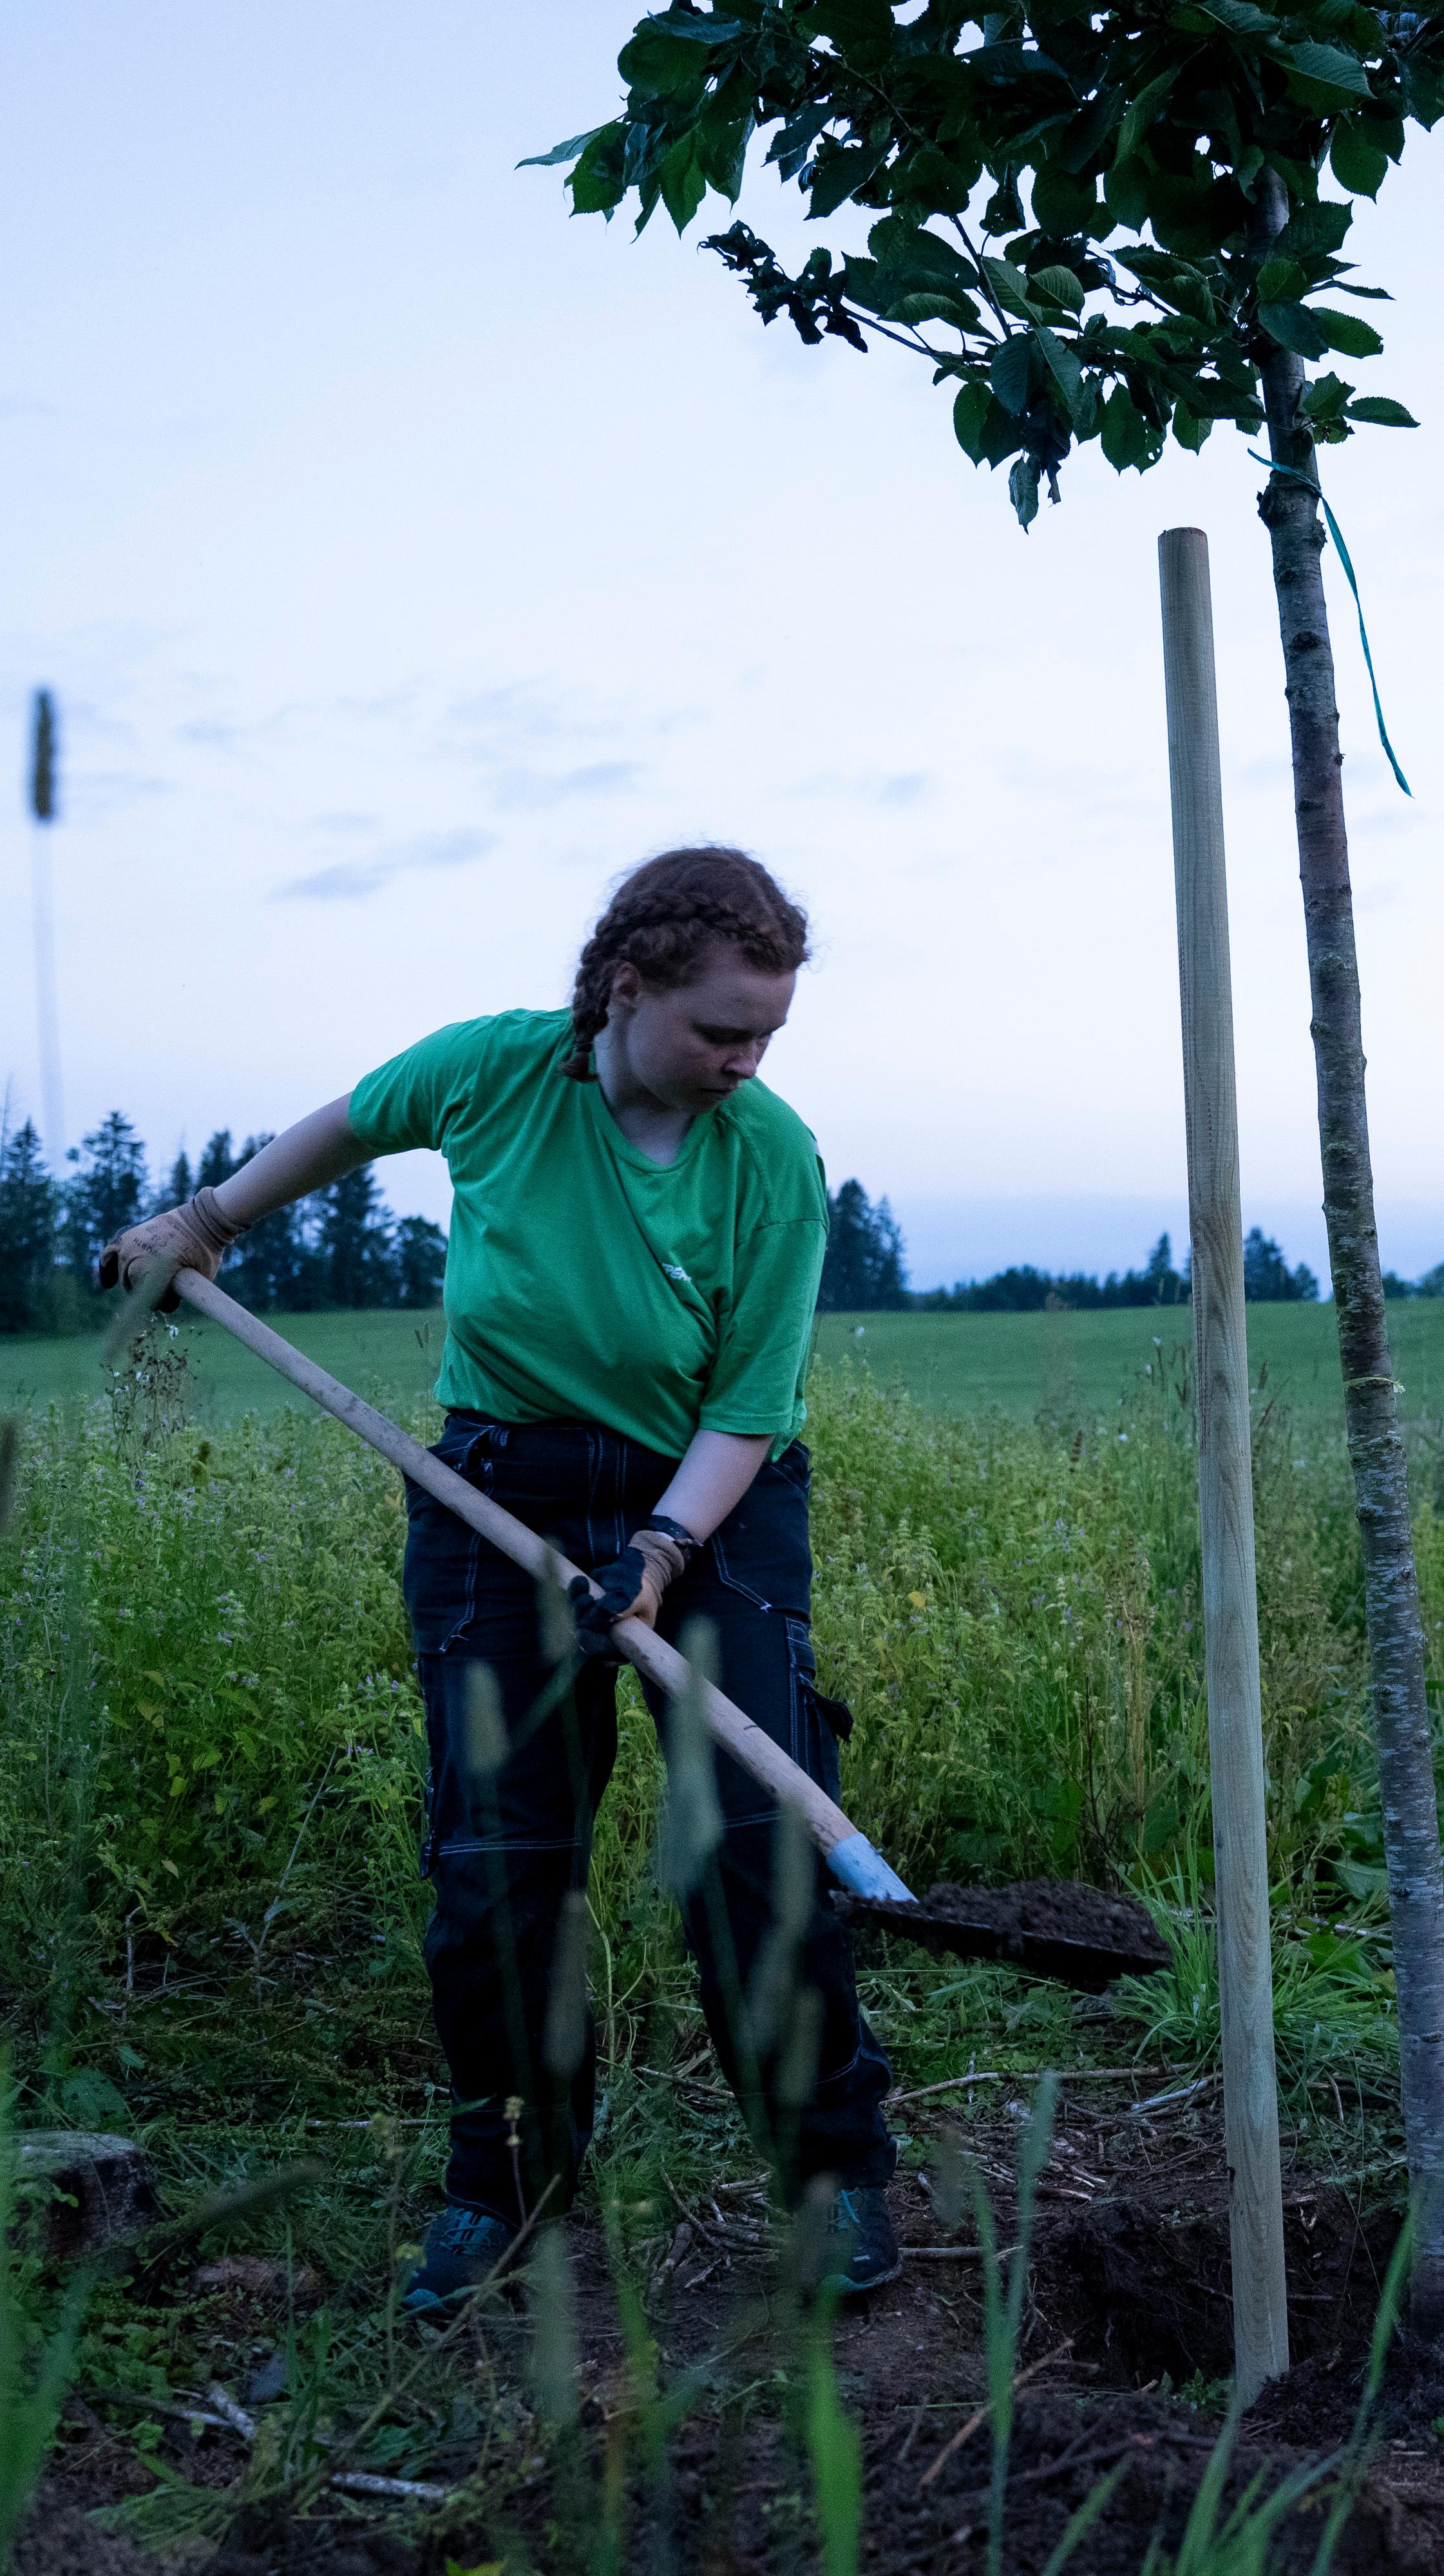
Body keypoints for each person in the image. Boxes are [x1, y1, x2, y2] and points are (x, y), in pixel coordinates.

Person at [102, 846, 900, 2316]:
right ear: (627, 987)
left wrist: (658, 1552)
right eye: (723, 1030)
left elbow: (750, 1406)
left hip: (713, 1506)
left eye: (769, 1035)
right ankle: (507, 2182)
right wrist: (208, 1223)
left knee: (751, 1840)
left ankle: (830, 2173)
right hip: (496, 1494)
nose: (747, 1062)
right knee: (499, 1865)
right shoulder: (493, 1073)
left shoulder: (772, 1158)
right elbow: (352, 1123)